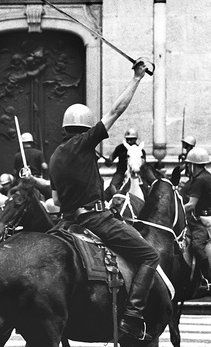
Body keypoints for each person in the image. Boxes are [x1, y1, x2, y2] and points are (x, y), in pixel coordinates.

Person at [49, 57, 159, 341]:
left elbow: (57, 202)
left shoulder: (55, 156)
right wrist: (136, 78)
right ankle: (133, 318)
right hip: (94, 218)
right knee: (150, 254)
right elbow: (116, 110)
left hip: (66, 222)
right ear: (87, 130)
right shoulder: (84, 143)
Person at [183, 147, 211, 295]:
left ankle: (207, 278)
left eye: (188, 165)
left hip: (201, 221)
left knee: (197, 246)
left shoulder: (199, 180)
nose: (187, 168)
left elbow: (191, 205)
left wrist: (176, 211)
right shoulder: (206, 176)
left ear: (192, 165)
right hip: (200, 217)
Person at [105, 127, 146, 192]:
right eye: (127, 139)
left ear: (135, 139)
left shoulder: (140, 150)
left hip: (136, 173)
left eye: (131, 139)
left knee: (146, 189)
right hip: (121, 172)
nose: (129, 141)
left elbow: (143, 163)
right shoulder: (120, 148)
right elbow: (111, 158)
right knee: (112, 186)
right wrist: (108, 161)